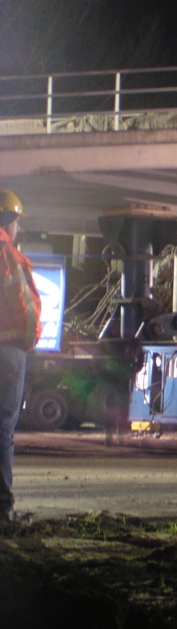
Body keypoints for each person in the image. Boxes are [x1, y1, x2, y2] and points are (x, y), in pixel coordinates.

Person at [0, 190, 41, 522]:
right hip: (6, 354)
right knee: (2, 428)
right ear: (10, 221)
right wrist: (27, 343)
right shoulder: (8, 256)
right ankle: (2, 509)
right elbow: (25, 310)